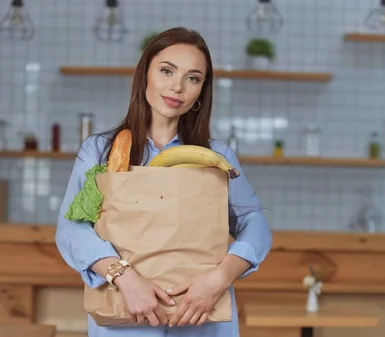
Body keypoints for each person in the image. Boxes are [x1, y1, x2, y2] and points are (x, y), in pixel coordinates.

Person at [55, 26, 273, 337]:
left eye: (192, 78)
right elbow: (72, 227)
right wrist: (124, 277)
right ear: (145, 74)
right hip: (125, 315)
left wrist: (220, 278)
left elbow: (254, 221)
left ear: (200, 92)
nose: (177, 87)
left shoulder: (216, 157)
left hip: (201, 317)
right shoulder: (99, 151)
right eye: (167, 71)